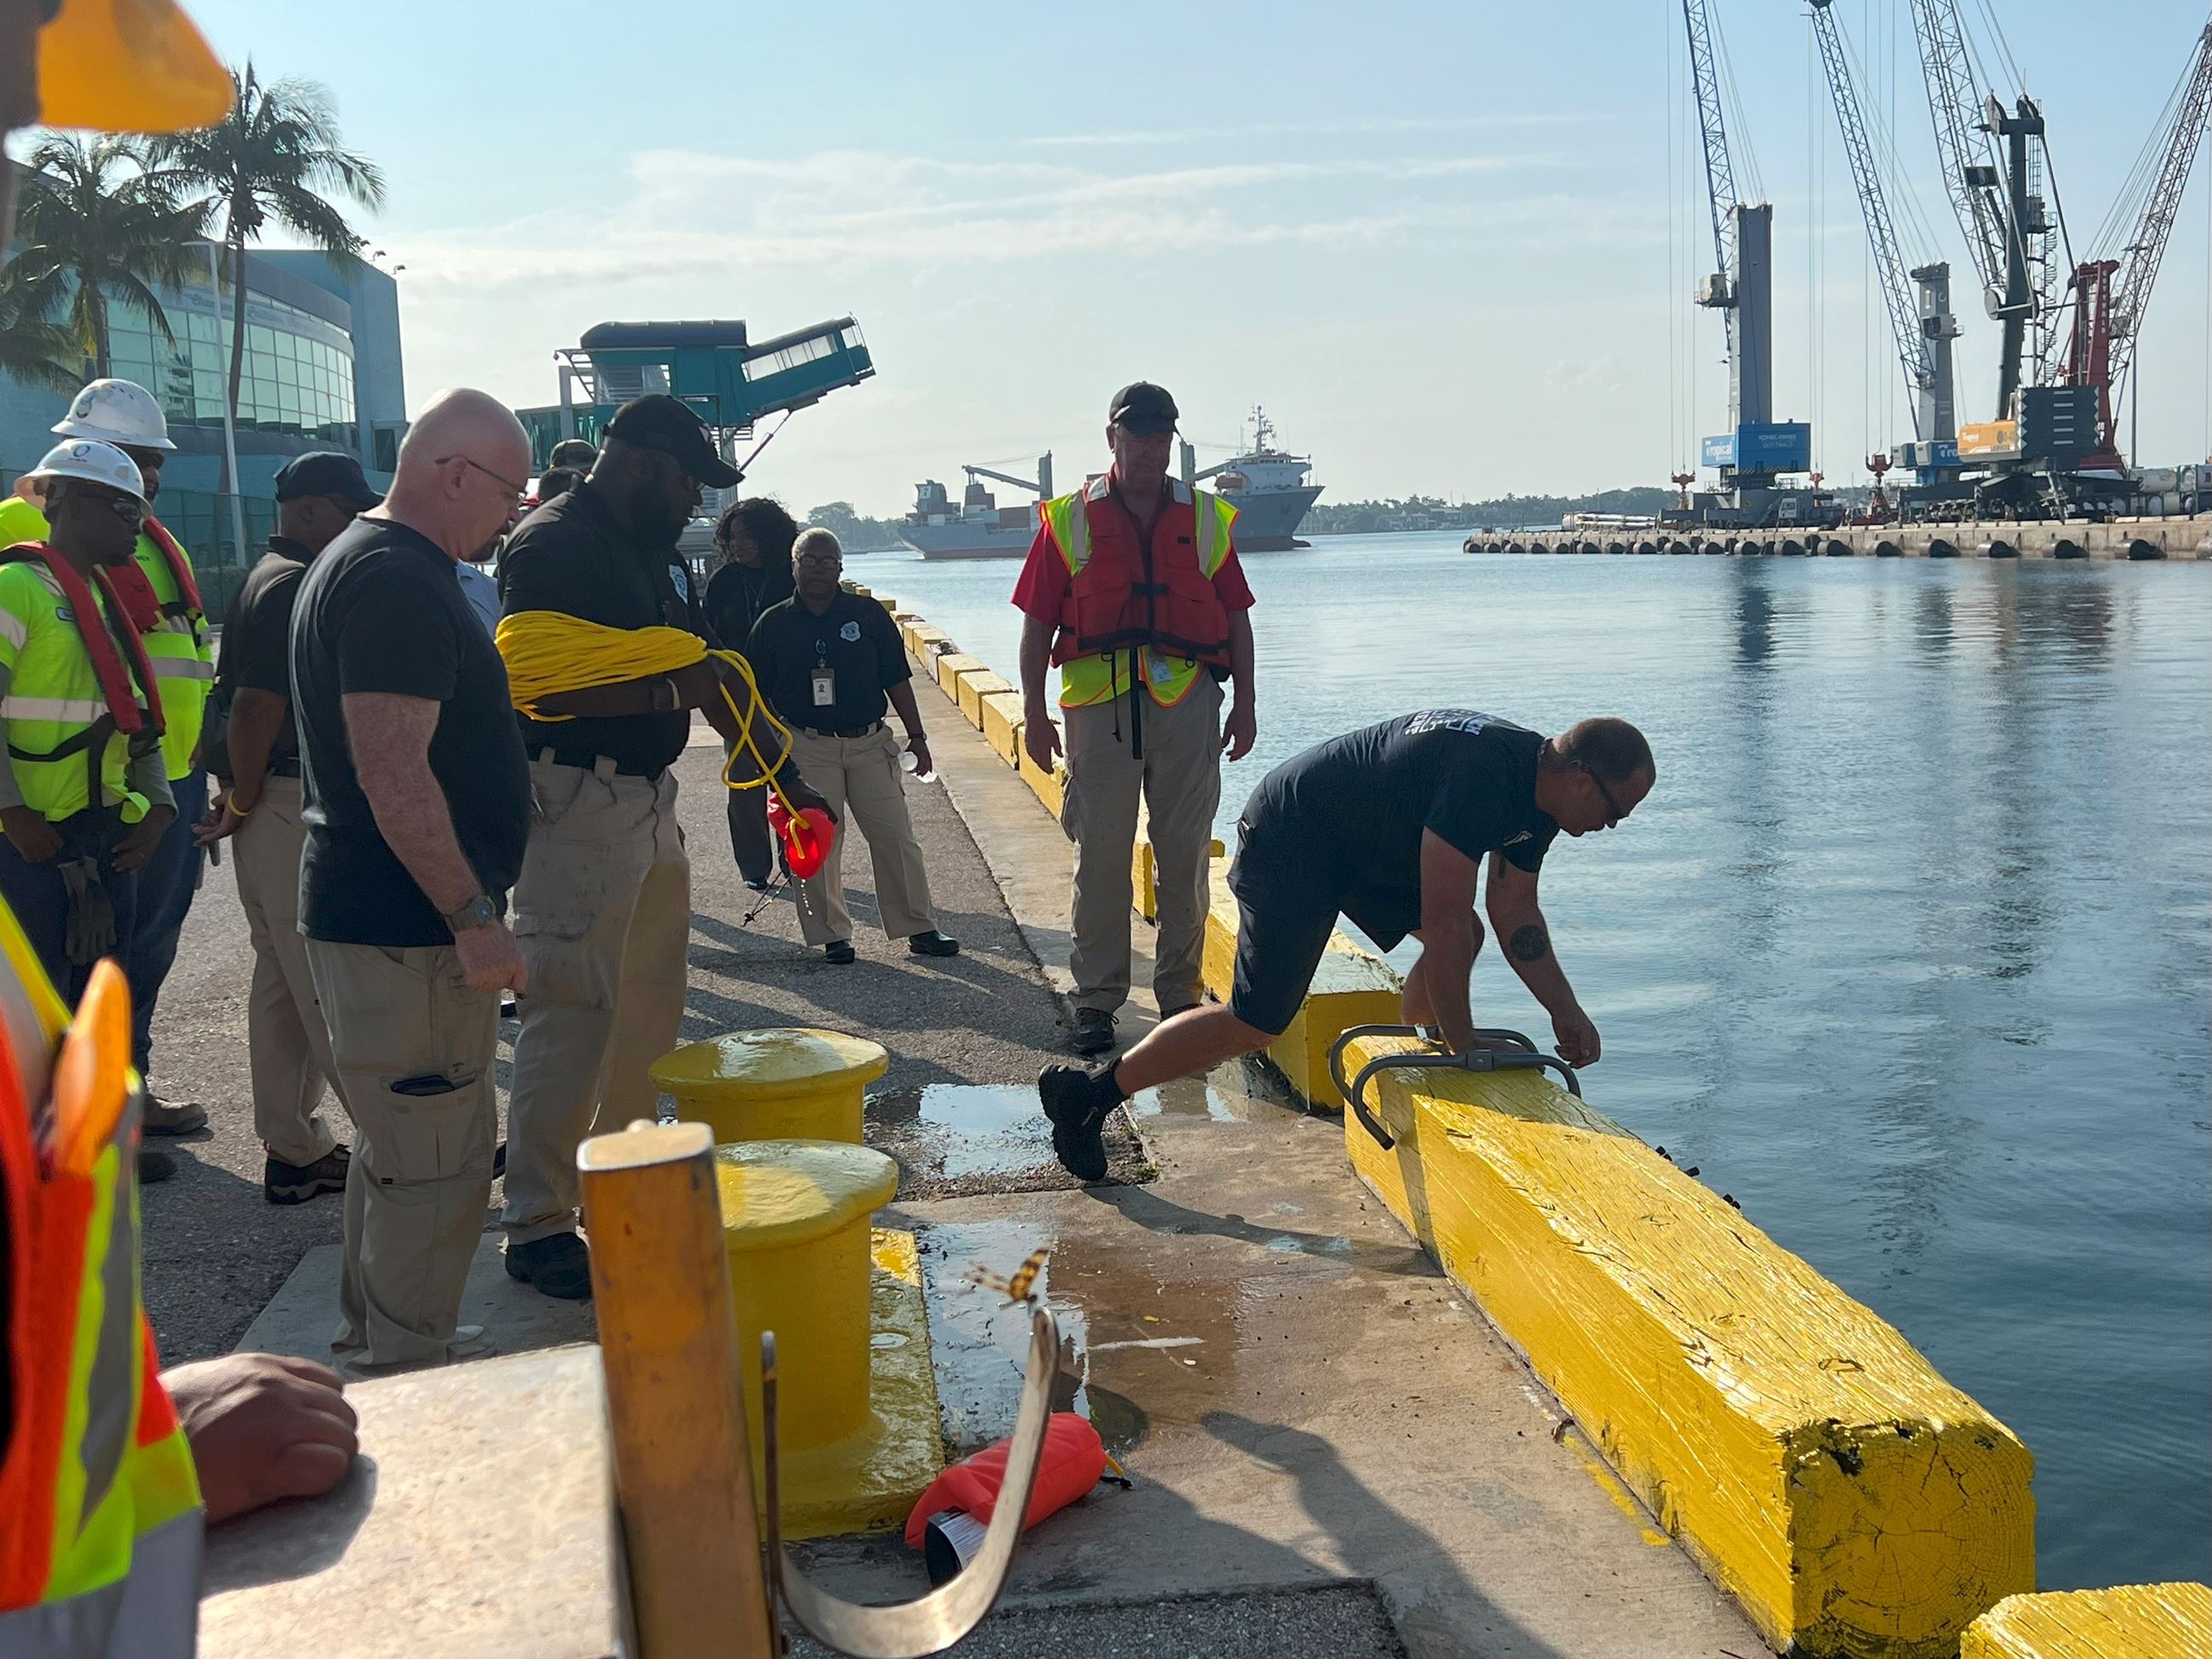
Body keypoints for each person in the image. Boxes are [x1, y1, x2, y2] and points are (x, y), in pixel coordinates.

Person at [495, 394, 821, 1300]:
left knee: (645, 1007)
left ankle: (618, 1184)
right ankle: (537, 1223)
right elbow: (531, 685)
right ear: (640, 464)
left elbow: (711, 672)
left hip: (643, 800)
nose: (696, 503)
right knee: (572, 1013)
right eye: (688, 481)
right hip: (573, 797)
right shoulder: (554, 544)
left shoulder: (653, 552)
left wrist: (784, 781)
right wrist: (660, 695)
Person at [1037, 711, 1656, 1180]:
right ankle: (1090, 1097)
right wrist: (1470, 1048)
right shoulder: (1485, 777)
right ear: (1580, 778)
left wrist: (1565, 1012)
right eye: (1615, 810)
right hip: (1293, 837)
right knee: (1257, 1022)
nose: (1613, 824)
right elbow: (1439, 919)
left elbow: (1514, 913)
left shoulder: (1538, 799)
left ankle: (1428, 1040)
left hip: (1357, 844)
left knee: (1467, 934)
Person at [288, 388, 533, 1376]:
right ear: (455, 473)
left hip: (376, 916)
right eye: (508, 493)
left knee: (400, 1147)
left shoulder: (366, 561)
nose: (512, 514)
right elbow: (394, 772)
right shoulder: (396, 578)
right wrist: (472, 916)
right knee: (437, 1162)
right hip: (409, 926)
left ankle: (376, 1336)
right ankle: (410, 1371)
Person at [1014, 382, 1257, 1058]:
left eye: (1160, 437)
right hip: (1098, 709)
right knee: (1102, 857)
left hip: (1189, 706)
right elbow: (1036, 627)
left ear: (1170, 442)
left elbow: (1236, 616)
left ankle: (1178, 998)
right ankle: (1096, 1001)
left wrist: (1248, 703)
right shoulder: (1068, 520)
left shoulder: (1205, 517)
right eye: (1136, 435)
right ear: (1111, 438)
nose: (1149, 449)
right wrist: (1034, 713)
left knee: (1185, 855)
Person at [0, 379, 215, 1137]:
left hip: (150, 786)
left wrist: (171, 791)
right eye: (130, 462)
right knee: (49, 974)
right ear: (64, 488)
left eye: (150, 466)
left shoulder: (149, 543)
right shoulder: (22, 550)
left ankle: (118, 1099)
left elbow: (174, 665)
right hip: (45, 809)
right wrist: (11, 806)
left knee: (128, 956)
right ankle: (51, 1129)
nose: (142, 482)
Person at [196, 452, 380, 1206]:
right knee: (323, 980)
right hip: (279, 793)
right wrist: (241, 801)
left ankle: (294, 1147)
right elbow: (254, 707)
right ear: (306, 508)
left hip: (265, 793)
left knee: (281, 979)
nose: (359, 521)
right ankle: (396, 1141)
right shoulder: (292, 583)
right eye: (348, 507)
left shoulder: (273, 574)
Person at [0, 441, 174, 1009]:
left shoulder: (104, 602)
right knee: (37, 1015)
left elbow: (132, 716)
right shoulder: (14, 589)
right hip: (32, 845)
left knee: (98, 1011)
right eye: (127, 512)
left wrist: (160, 807)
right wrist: (12, 811)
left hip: (106, 835)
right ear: (70, 503)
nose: (138, 526)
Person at [748, 527, 957, 964]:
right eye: (809, 559)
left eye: (827, 560)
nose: (819, 567)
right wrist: (773, 754)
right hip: (807, 745)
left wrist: (917, 737)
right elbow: (754, 695)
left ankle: (918, 926)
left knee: (896, 837)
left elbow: (896, 678)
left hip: (867, 742)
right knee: (820, 841)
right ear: (794, 566)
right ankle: (833, 935)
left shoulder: (866, 615)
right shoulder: (773, 623)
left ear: (841, 567)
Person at [704, 496, 798, 887]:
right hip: (736, 698)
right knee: (744, 784)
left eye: (748, 536)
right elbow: (706, 635)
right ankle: (755, 869)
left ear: (769, 537)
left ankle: (795, 860)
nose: (739, 544)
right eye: (733, 536)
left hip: (786, 695)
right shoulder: (723, 582)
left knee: (790, 780)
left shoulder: (789, 577)